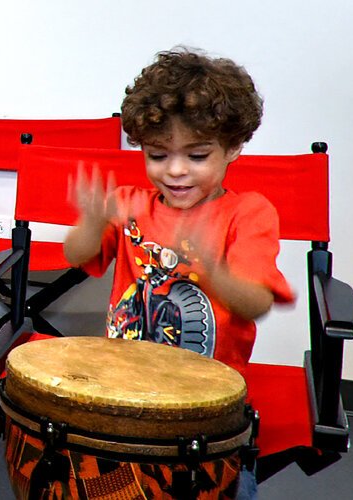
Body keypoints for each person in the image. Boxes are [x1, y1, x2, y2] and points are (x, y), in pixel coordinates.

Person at [63, 47, 296, 498]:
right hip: (126, 389)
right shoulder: (132, 203)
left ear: (233, 147)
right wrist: (91, 223)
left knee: (219, 487)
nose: (175, 170)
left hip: (208, 401)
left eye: (197, 154)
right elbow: (78, 257)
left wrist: (214, 268)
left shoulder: (248, 214)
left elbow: (256, 303)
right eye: (157, 155)